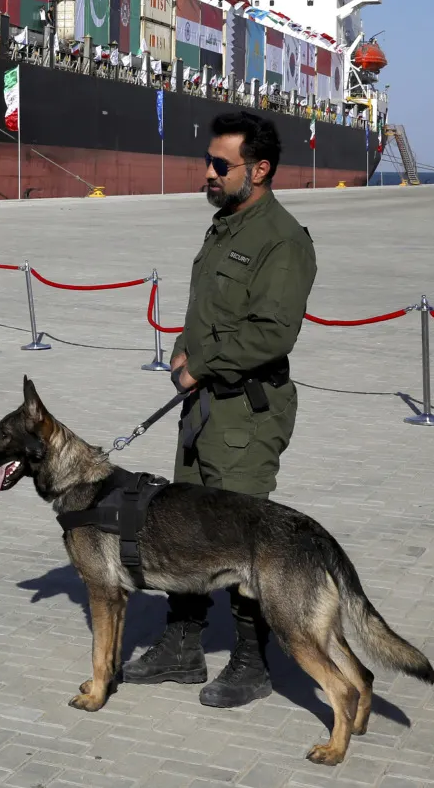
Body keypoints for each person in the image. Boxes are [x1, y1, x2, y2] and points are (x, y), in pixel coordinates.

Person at [121, 110, 316, 707]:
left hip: (245, 417)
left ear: (258, 170)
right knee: (186, 530)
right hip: (203, 408)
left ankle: (254, 663)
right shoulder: (225, 227)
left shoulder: (282, 240)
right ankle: (182, 648)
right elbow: (207, 311)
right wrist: (184, 350)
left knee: (244, 541)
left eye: (219, 164)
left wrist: (199, 365)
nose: (206, 171)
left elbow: (271, 334)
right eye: (208, 160)